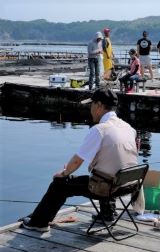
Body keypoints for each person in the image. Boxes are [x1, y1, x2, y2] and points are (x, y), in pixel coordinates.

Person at [21, 89, 143, 232]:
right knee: (106, 170)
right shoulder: (128, 127)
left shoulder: (100, 130)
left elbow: (77, 161)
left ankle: (38, 223)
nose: (90, 109)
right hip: (128, 185)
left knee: (59, 185)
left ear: (98, 105)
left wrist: (64, 173)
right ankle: (108, 213)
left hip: (107, 187)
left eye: (91, 105)